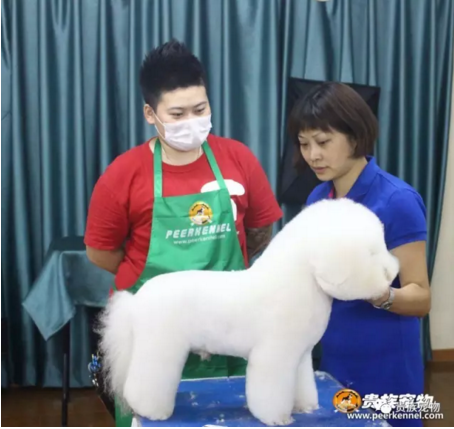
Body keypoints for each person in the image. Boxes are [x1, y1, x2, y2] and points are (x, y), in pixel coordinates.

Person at [84, 39, 283, 426]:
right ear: (150, 113)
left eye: (200, 109)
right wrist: (150, 280)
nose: (192, 121)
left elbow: (260, 230)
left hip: (229, 327)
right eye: (177, 114)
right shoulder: (123, 174)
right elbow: (100, 252)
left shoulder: (238, 158)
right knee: (152, 411)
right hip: (153, 329)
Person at [288, 82, 431, 427]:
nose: (313, 155)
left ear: (355, 137)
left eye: (323, 142)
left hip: (387, 363)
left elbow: (421, 298)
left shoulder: (397, 200)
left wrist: (377, 293)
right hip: (335, 357)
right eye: (304, 144)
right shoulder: (318, 198)